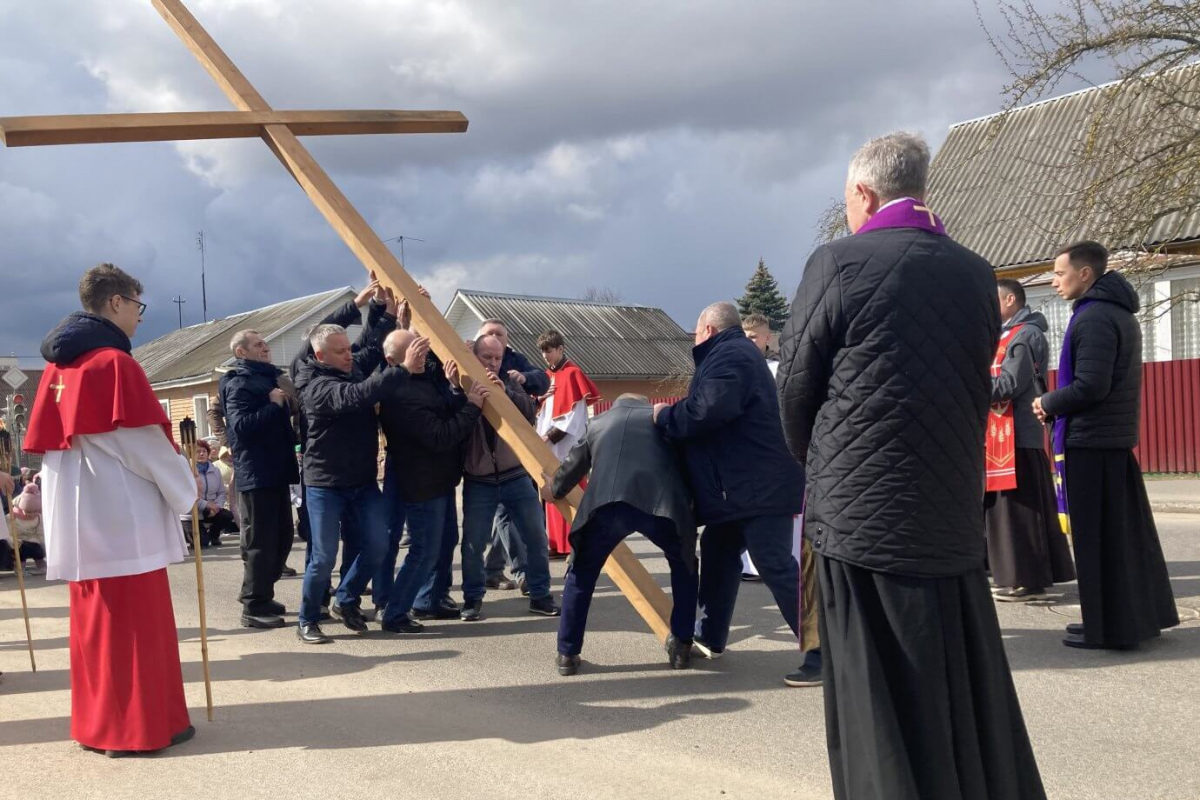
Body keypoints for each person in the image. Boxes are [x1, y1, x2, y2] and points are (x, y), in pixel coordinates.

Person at [777, 132, 1045, 800]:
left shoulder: (839, 262)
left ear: (864, 195)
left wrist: (822, 464)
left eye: (847, 201)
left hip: (859, 516)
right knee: (955, 680)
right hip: (949, 503)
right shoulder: (975, 273)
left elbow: (795, 389)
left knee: (873, 697)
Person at [25, 263, 198, 757]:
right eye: (137, 306)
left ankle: (97, 724)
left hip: (81, 521)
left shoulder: (59, 368)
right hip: (122, 520)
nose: (141, 318)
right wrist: (185, 494)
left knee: (96, 628)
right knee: (137, 627)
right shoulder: (113, 364)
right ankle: (137, 729)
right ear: (115, 303)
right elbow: (144, 444)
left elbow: (55, 446)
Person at [1034, 241, 1179, 650]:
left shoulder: (1095, 318)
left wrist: (1047, 401)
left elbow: (1091, 386)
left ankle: (1109, 627)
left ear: (1085, 274)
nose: (1054, 281)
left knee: (1098, 541)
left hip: (1092, 442)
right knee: (1122, 537)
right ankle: (1123, 618)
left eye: (1060, 273)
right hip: (1108, 441)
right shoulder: (1113, 312)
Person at [653, 301, 805, 683]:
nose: (694, 337)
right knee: (720, 555)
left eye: (696, 330)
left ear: (709, 329)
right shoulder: (733, 354)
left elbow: (705, 412)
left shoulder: (730, 356)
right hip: (739, 488)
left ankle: (825, 649)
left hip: (758, 486)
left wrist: (664, 416)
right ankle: (711, 636)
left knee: (774, 564)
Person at [294, 315, 425, 644]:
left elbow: (372, 346)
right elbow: (358, 395)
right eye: (339, 351)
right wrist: (403, 369)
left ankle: (346, 597)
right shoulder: (316, 386)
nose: (348, 354)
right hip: (325, 484)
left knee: (379, 545)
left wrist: (390, 311)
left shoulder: (350, 365)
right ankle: (307, 619)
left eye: (347, 348)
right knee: (323, 556)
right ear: (321, 355)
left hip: (363, 481)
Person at [544, 394, 697, 676]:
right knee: (684, 566)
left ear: (617, 405)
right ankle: (682, 646)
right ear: (643, 403)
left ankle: (567, 653)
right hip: (661, 506)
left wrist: (552, 489)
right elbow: (689, 464)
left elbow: (572, 468)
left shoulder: (597, 423)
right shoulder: (661, 419)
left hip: (606, 507)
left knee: (582, 573)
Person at [376, 329, 487, 632]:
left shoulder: (421, 381)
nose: (423, 356)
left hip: (439, 479)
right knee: (423, 550)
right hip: (423, 484)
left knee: (445, 541)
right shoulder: (399, 394)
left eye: (423, 349)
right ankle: (395, 613)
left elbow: (441, 412)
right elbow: (440, 436)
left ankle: (430, 600)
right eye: (415, 351)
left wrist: (454, 389)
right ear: (393, 359)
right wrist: (473, 406)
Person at [985, 279, 1075, 602]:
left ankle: (1029, 580)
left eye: (992, 301)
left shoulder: (1026, 335)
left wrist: (969, 384)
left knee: (1022, 513)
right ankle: (1011, 574)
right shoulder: (1005, 334)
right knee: (1004, 513)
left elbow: (1009, 383)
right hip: (999, 438)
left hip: (1018, 437)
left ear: (1010, 300)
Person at [459, 335, 560, 620]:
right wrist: (465, 398)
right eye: (486, 357)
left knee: (536, 538)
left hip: (515, 474)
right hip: (479, 479)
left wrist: (508, 394)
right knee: (473, 543)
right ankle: (472, 600)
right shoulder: (462, 383)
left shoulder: (509, 381)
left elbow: (530, 413)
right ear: (474, 356)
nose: (492, 363)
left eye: (497, 358)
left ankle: (540, 596)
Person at [219, 328, 300, 628]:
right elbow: (240, 428)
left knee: (282, 537)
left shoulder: (266, 378)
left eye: (265, 343)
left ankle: (262, 595)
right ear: (242, 352)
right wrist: (273, 405)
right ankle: (253, 606)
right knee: (261, 542)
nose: (265, 348)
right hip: (257, 471)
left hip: (276, 469)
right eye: (258, 345)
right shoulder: (239, 383)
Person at [535, 329, 600, 557]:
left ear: (561, 349)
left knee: (570, 489)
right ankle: (555, 543)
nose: (545, 355)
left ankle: (573, 544)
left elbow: (572, 420)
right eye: (542, 351)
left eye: (549, 351)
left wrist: (547, 437)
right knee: (551, 491)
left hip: (567, 446)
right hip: (548, 446)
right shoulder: (546, 376)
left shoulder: (573, 374)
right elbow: (543, 413)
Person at [181, 439, 238, 550]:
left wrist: (217, 506)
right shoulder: (187, 470)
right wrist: (206, 505)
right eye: (197, 451)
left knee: (227, 515)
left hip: (210, 510)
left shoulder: (215, 470)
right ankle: (193, 535)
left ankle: (214, 536)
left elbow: (221, 492)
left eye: (204, 451)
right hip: (191, 514)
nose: (201, 454)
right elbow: (189, 494)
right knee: (202, 544)